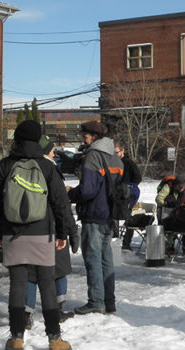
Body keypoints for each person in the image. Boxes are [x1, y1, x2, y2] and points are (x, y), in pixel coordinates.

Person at [0, 120, 73, 350]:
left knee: (17, 284)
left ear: (17, 139)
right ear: (38, 139)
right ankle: (55, 340)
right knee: (47, 284)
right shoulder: (47, 166)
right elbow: (60, 203)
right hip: (42, 234)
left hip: (13, 234)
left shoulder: (6, 165)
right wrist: (62, 234)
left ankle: (16, 339)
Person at [68, 121, 123, 315]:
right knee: (106, 259)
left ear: (94, 136)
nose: (83, 138)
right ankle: (109, 301)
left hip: (93, 214)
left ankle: (96, 301)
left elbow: (88, 190)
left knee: (93, 259)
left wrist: (70, 195)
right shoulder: (115, 157)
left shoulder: (93, 156)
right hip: (110, 214)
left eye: (85, 135)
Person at [24, 135, 79, 328]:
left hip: (24, 228)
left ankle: (26, 315)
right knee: (59, 270)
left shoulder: (17, 166)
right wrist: (70, 231)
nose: (54, 153)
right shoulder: (50, 169)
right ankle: (57, 310)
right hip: (51, 228)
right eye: (51, 149)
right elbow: (62, 205)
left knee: (29, 274)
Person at [156, 175, 185, 252]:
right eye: (179, 187)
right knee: (169, 226)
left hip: (179, 211)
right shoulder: (168, 186)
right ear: (176, 184)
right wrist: (166, 204)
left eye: (183, 188)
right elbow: (159, 198)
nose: (181, 189)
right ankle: (169, 246)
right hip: (166, 211)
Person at [114, 140, 142, 250]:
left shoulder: (129, 163)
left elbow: (138, 177)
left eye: (116, 152)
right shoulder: (111, 163)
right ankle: (114, 240)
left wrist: (129, 188)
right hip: (114, 195)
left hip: (127, 195)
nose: (114, 155)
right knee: (113, 218)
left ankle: (127, 242)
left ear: (122, 151)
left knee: (128, 218)